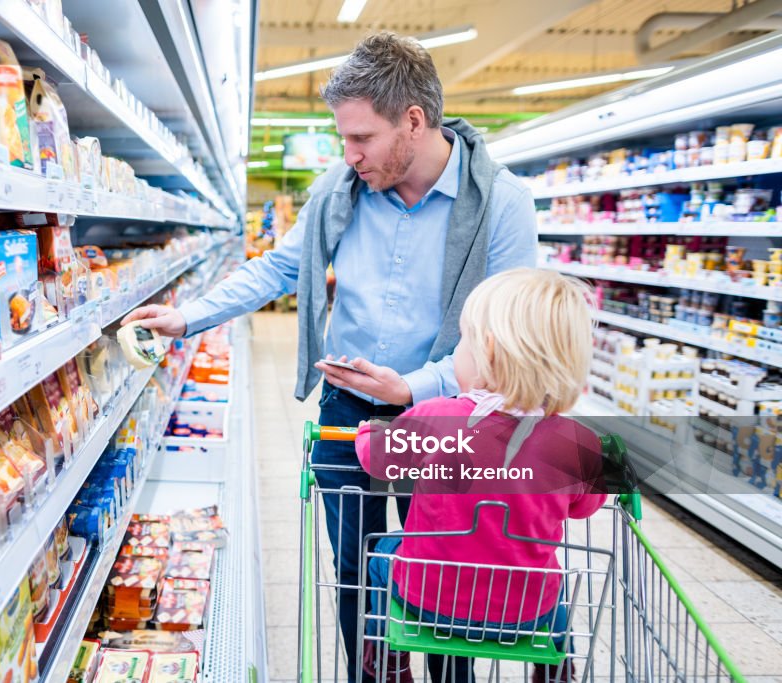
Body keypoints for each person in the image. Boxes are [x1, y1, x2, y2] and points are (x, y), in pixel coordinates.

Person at [123, 32, 538, 681]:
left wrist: (413, 387)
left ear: (414, 120)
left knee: (446, 568)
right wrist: (187, 316)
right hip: (349, 414)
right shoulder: (340, 190)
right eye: (343, 139)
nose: (349, 155)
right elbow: (280, 267)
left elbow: (515, 334)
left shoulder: (503, 204)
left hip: (452, 416)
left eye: (361, 138)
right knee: (356, 573)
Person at [354, 268, 608, 683]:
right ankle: (556, 665)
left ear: (487, 348)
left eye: (462, 341)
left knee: (382, 551)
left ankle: (388, 660)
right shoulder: (575, 442)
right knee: (553, 578)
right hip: (526, 610)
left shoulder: (438, 419)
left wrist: (370, 430)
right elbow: (586, 506)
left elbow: (376, 459)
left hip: (431, 601)